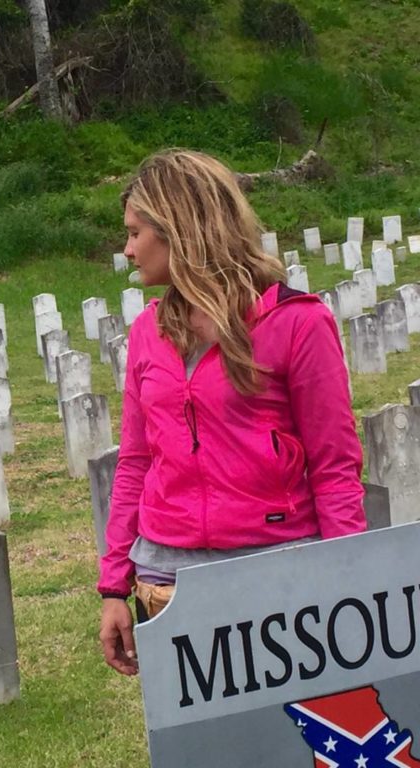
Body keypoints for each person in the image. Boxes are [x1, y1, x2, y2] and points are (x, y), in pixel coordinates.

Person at [98, 150, 366, 676]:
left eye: (135, 232)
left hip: (276, 569)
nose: (127, 249)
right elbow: (135, 462)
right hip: (166, 580)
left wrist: (349, 581)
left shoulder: (298, 323)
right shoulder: (147, 332)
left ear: (179, 228)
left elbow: (335, 468)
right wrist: (113, 585)